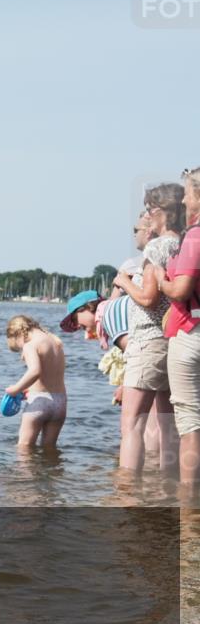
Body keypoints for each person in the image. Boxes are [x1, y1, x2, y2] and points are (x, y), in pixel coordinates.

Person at [112, 183, 185, 471]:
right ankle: (170, 487)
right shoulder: (184, 243)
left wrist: (124, 281)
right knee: (168, 426)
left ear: (162, 212)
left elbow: (149, 299)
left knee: (132, 424)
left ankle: (127, 491)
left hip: (148, 340)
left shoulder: (157, 247)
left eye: (149, 209)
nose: (146, 215)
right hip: (173, 340)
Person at [155, 167, 200, 487]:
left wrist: (160, 278)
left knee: (190, 422)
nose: (184, 200)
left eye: (187, 193)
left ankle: (189, 500)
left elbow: (181, 290)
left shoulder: (195, 236)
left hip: (191, 330)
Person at [5, 316, 67, 448]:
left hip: (39, 402)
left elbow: (35, 371)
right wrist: (27, 389)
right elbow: (48, 376)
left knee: (24, 448)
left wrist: (15, 389)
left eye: (19, 347)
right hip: (60, 403)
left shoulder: (30, 345)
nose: (22, 350)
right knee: (49, 449)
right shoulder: (55, 342)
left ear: (18, 334)